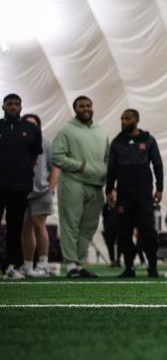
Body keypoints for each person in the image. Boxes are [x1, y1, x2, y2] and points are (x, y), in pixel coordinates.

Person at [50, 96, 110, 278]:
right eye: (81, 106)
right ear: (75, 109)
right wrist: (79, 166)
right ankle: (70, 267)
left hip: (96, 186)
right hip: (72, 183)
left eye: (88, 105)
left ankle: (79, 263)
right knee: (70, 226)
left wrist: (105, 175)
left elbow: (108, 159)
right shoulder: (66, 131)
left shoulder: (101, 131)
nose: (85, 108)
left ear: (92, 107)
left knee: (88, 228)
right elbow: (57, 157)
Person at [105, 109, 163, 278]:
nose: (123, 121)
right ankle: (128, 267)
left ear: (137, 120)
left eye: (127, 118)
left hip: (144, 195)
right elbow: (111, 168)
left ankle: (152, 267)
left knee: (148, 231)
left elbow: (157, 165)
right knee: (124, 232)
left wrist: (159, 188)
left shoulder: (148, 140)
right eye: (122, 118)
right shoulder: (117, 142)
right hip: (124, 196)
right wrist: (109, 190)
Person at [1, 95, 42, 279]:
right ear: (3, 106)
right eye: (9, 104)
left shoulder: (31, 129)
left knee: (15, 227)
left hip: (20, 186)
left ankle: (11, 265)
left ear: (21, 107)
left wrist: (21, 172)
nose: (13, 107)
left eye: (17, 104)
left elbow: (34, 157)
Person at [20, 114, 56, 277]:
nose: (30, 127)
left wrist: (51, 187)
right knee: (25, 228)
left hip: (41, 191)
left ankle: (43, 265)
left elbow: (55, 167)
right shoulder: (15, 143)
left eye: (34, 124)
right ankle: (27, 265)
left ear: (39, 126)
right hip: (20, 192)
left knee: (38, 224)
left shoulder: (46, 143)